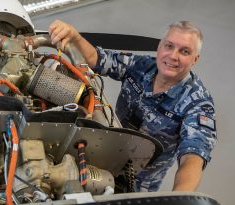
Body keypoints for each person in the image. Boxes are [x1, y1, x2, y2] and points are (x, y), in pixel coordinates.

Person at [49, 20, 217, 192]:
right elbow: (97, 59)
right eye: (169, 46)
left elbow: (192, 158)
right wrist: (75, 36)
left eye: (184, 51)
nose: (173, 56)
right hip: (103, 157)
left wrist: (181, 197)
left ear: (195, 59)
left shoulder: (198, 103)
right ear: (159, 47)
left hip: (137, 184)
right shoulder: (141, 66)